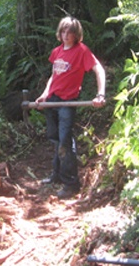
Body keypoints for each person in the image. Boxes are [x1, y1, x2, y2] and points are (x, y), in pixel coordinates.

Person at [35, 16, 106, 199]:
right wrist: (44, 94)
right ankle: (57, 175)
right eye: (64, 31)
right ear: (59, 33)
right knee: (56, 138)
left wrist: (100, 94)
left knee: (65, 141)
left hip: (67, 102)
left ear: (76, 34)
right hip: (53, 100)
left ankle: (71, 183)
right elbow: (54, 76)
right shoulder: (57, 51)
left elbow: (98, 69)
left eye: (70, 32)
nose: (67, 35)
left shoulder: (82, 51)